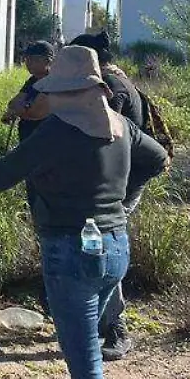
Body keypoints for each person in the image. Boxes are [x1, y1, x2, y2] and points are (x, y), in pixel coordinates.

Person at [0, 46, 169, 379]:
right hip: (116, 249)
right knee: (86, 339)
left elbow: (4, 173)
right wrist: (122, 195)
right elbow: (159, 158)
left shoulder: (57, 131)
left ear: (66, 91)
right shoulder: (120, 126)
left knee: (85, 361)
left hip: (71, 252)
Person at [70, 30, 144, 360]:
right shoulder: (116, 82)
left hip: (119, 187)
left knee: (102, 250)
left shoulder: (113, 92)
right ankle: (98, 320)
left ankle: (116, 328)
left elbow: (100, 136)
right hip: (118, 183)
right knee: (96, 251)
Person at [4, 40, 55, 143]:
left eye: (34, 59)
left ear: (48, 61)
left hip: (46, 139)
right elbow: (13, 103)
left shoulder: (53, 82)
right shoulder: (33, 80)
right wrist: (19, 109)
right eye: (27, 59)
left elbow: (35, 112)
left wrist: (17, 111)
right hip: (27, 135)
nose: (28, 63)